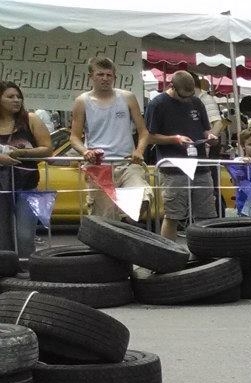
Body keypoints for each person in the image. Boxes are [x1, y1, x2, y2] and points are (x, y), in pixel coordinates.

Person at [67, 56, 150, 221]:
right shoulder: (82, 101)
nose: (105, 78)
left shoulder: (127, 97)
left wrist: (139, 150)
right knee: (106, 219)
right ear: (91, 76)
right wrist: (85, 151)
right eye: (100, 74)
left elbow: (144, 131)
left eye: (108, 75)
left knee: (142, 198)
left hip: (127, 162)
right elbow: (74, 137)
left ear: (114, 77)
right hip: (99, 166)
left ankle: (129, 222)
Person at [142, 70, 220, 238]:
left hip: (200, 166)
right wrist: (175, 139)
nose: (187, 100)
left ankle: (206, 255)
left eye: (190, 95)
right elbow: (148, 137)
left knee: (206, 215)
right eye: (183, 96)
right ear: (172, 87)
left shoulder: (197, 102)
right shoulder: (157, 104)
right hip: (173, 168)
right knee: (173, 216)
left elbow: (205, 129)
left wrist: (210, 136)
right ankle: (169, 255)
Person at [0, 80, 54, 257]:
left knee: (24, 236)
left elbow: (47, 149)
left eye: (19, 97)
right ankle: (7, 275)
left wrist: (21, 154)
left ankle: (28, 274)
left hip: (27, 188)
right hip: (1, 190)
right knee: (3, 237)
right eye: (10, 97)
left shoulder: (30, 119)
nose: (16, 100)